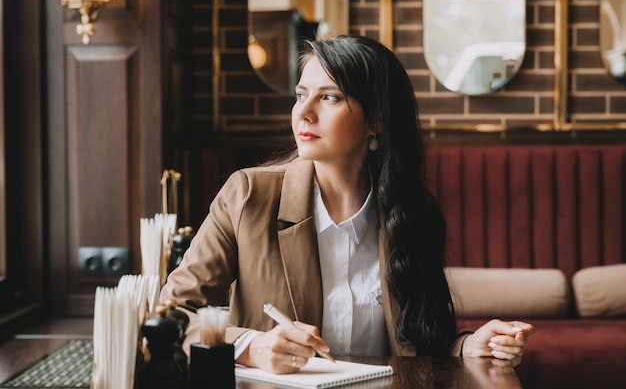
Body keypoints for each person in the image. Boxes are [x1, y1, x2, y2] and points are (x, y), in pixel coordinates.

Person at [159, 34, 534, 374]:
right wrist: (251, 346)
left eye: (329, 97)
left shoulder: (413, 215)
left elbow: (423, 343)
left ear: (376, 122)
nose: (304, 112)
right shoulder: (248, 195)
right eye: (300, 94)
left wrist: (469, 347)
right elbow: (172, 314)